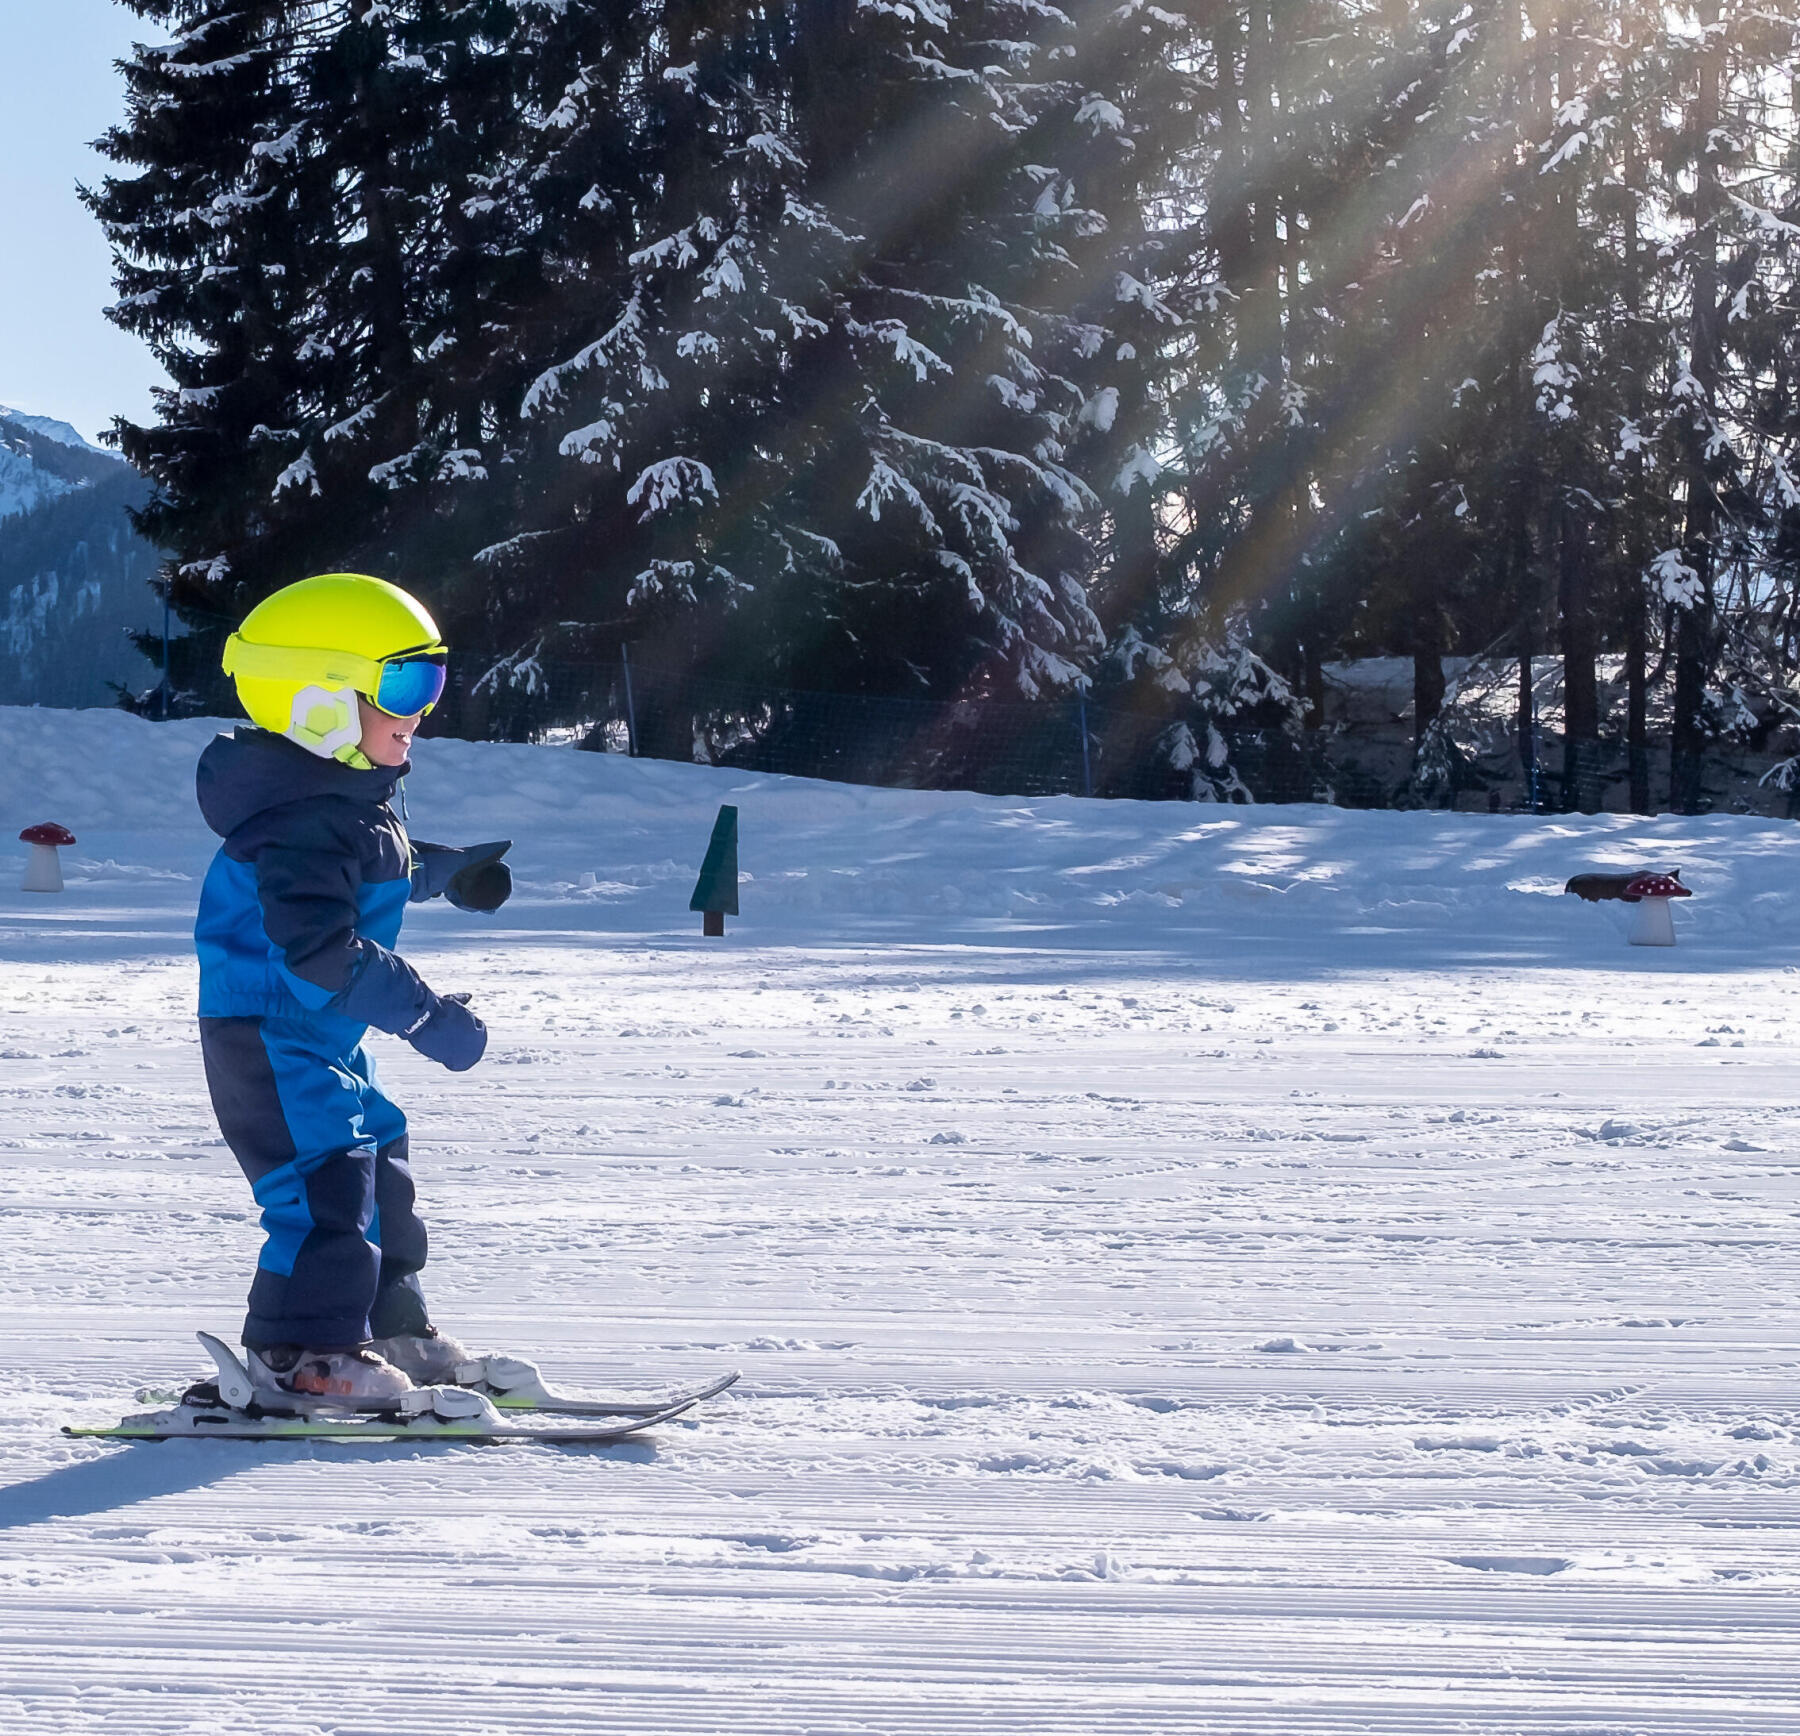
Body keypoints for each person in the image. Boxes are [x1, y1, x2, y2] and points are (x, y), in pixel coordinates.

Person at [194, 572, 512, 1404]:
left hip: (318, 1035)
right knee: (323, 1185)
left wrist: (442, 872)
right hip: (268, 1033)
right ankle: (299, 1355)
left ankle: (388, 1328)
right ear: (318, 701)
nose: (421, 711)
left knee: (380, 1164)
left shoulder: (335, 793)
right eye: (402, 685)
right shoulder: (301, 822)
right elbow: (322, 949)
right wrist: (427, 1015)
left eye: (431, 680)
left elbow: (371, 859)